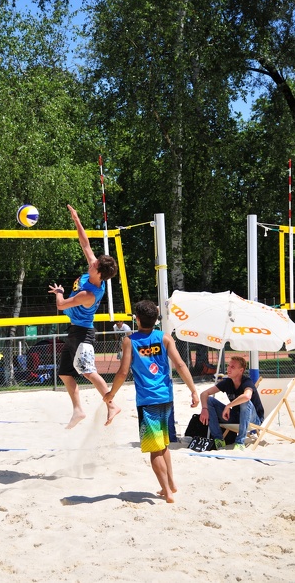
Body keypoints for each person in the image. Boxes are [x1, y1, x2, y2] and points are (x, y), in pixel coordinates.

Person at [103, 300, 199, 503]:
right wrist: (193, 391)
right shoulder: (164, 337)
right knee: (163, 444)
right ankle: (171, 484)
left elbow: (122, 372)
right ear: (156, 319)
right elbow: (180, 364)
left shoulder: (130, 341)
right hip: (166, 398)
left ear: (137, 320)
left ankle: (168, 492)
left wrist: (111, 394)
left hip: (147, 401)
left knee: (154, 449)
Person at [48, 204, 121, 429]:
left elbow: (61, 306)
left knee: (88, 371)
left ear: (99, 273)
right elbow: (85, 243)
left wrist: (59, 292)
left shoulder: (88, 294)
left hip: (83, 333)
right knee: (65, 374)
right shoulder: (93, 272)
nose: (92, 262)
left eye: (96, 264)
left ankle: (111, 404)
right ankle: (78, 410)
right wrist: (77, 219)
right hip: (74, 331)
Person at [199, 356, 264, 451]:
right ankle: (218, 439)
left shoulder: (247, 382)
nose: (228, 369)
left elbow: (247, 396)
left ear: (241, 370)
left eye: (232, 367)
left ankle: (240, 442)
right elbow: (204, 394)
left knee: (245, 401)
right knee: (209, 400)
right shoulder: (227, 382)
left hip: (254, 419)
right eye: (228, 366)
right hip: (236, 417)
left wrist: (229, 406)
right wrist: (204, 409)